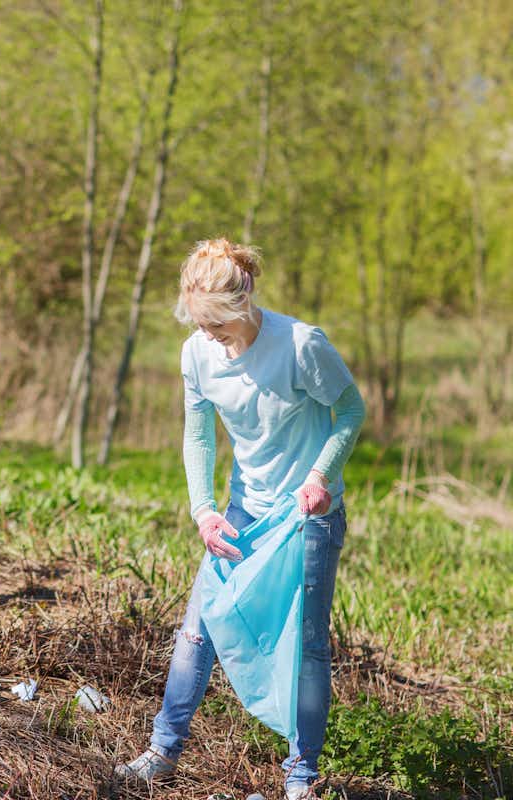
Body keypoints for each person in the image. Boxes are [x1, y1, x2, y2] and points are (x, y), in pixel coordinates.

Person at [115, 239, 366, 800]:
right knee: (198, 629)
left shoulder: (301, 346)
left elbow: (351, 411)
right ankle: (163, 750)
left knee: (306, 646)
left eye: (218, 325)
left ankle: (301, 777)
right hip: (242, 512)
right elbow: (198, 434)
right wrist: (203, 509)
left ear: (245, 299)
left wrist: (321, 475)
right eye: (200, 325)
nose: (210, 337)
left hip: (307, 517)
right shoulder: (196, 354)